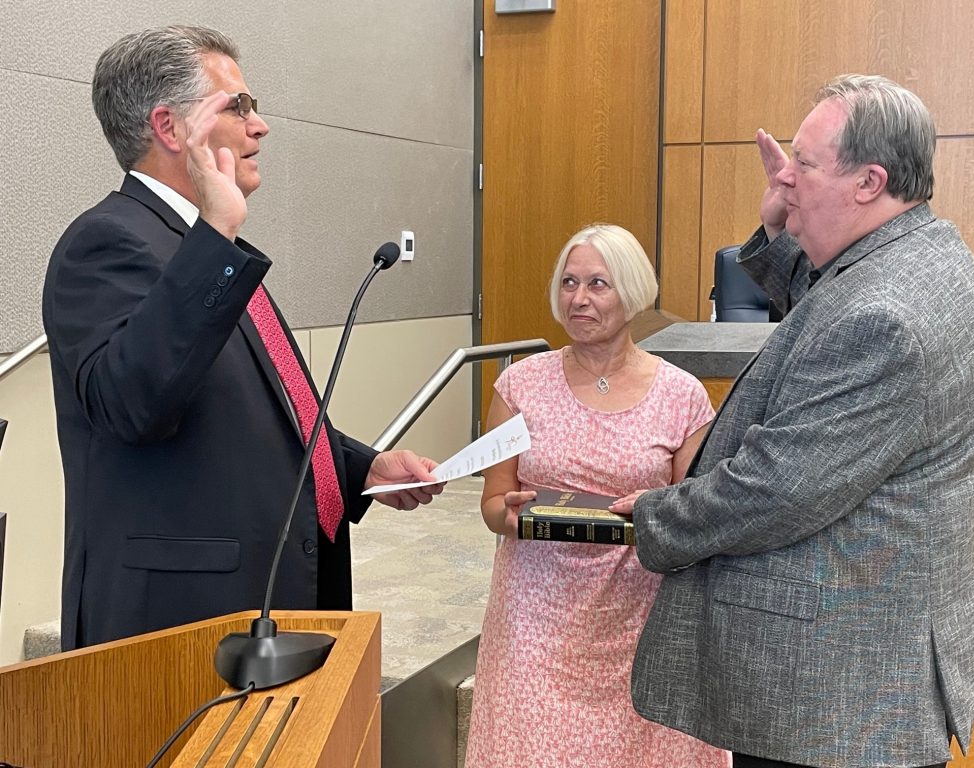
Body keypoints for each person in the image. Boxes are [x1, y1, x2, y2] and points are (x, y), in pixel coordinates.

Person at [628, 75, 974, 768]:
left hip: (841, 693)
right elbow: (828, 307)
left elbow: (778, 490)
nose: (785, 176)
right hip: (872, 667)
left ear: (869, 182)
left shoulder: (886, 320)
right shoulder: (919, 256)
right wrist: (784, 230)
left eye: (804, 163)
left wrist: (654, 518)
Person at [42, 26, 443, 651]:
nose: (260, 126)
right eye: (239, 106)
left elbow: (258, 417)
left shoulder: (204, 248)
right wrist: (216, 233)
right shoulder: (107, 242)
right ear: (171, 128)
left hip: (268, 603)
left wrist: (363, 468)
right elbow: (132, 406)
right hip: (180, 623)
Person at [465, 224, 728, 768]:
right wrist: (507, 517)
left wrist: (658, 515)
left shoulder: (683, 396)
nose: (579, 299)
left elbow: (695, 513)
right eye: (569, 283)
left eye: (597, 284)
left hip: (641, 612)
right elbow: (493, 501)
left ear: (632, 292)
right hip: (535, 615)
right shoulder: (519, 386)